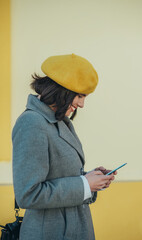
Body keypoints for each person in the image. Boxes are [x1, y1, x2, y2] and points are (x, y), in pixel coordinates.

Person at [12, 53, 117, 240]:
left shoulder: (61, 121)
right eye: (79, 95)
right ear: (60, 89)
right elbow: (28, 194)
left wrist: (91, 179)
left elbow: (60, 177)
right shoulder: (31, 123)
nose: (82, 104)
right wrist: (84, 185)